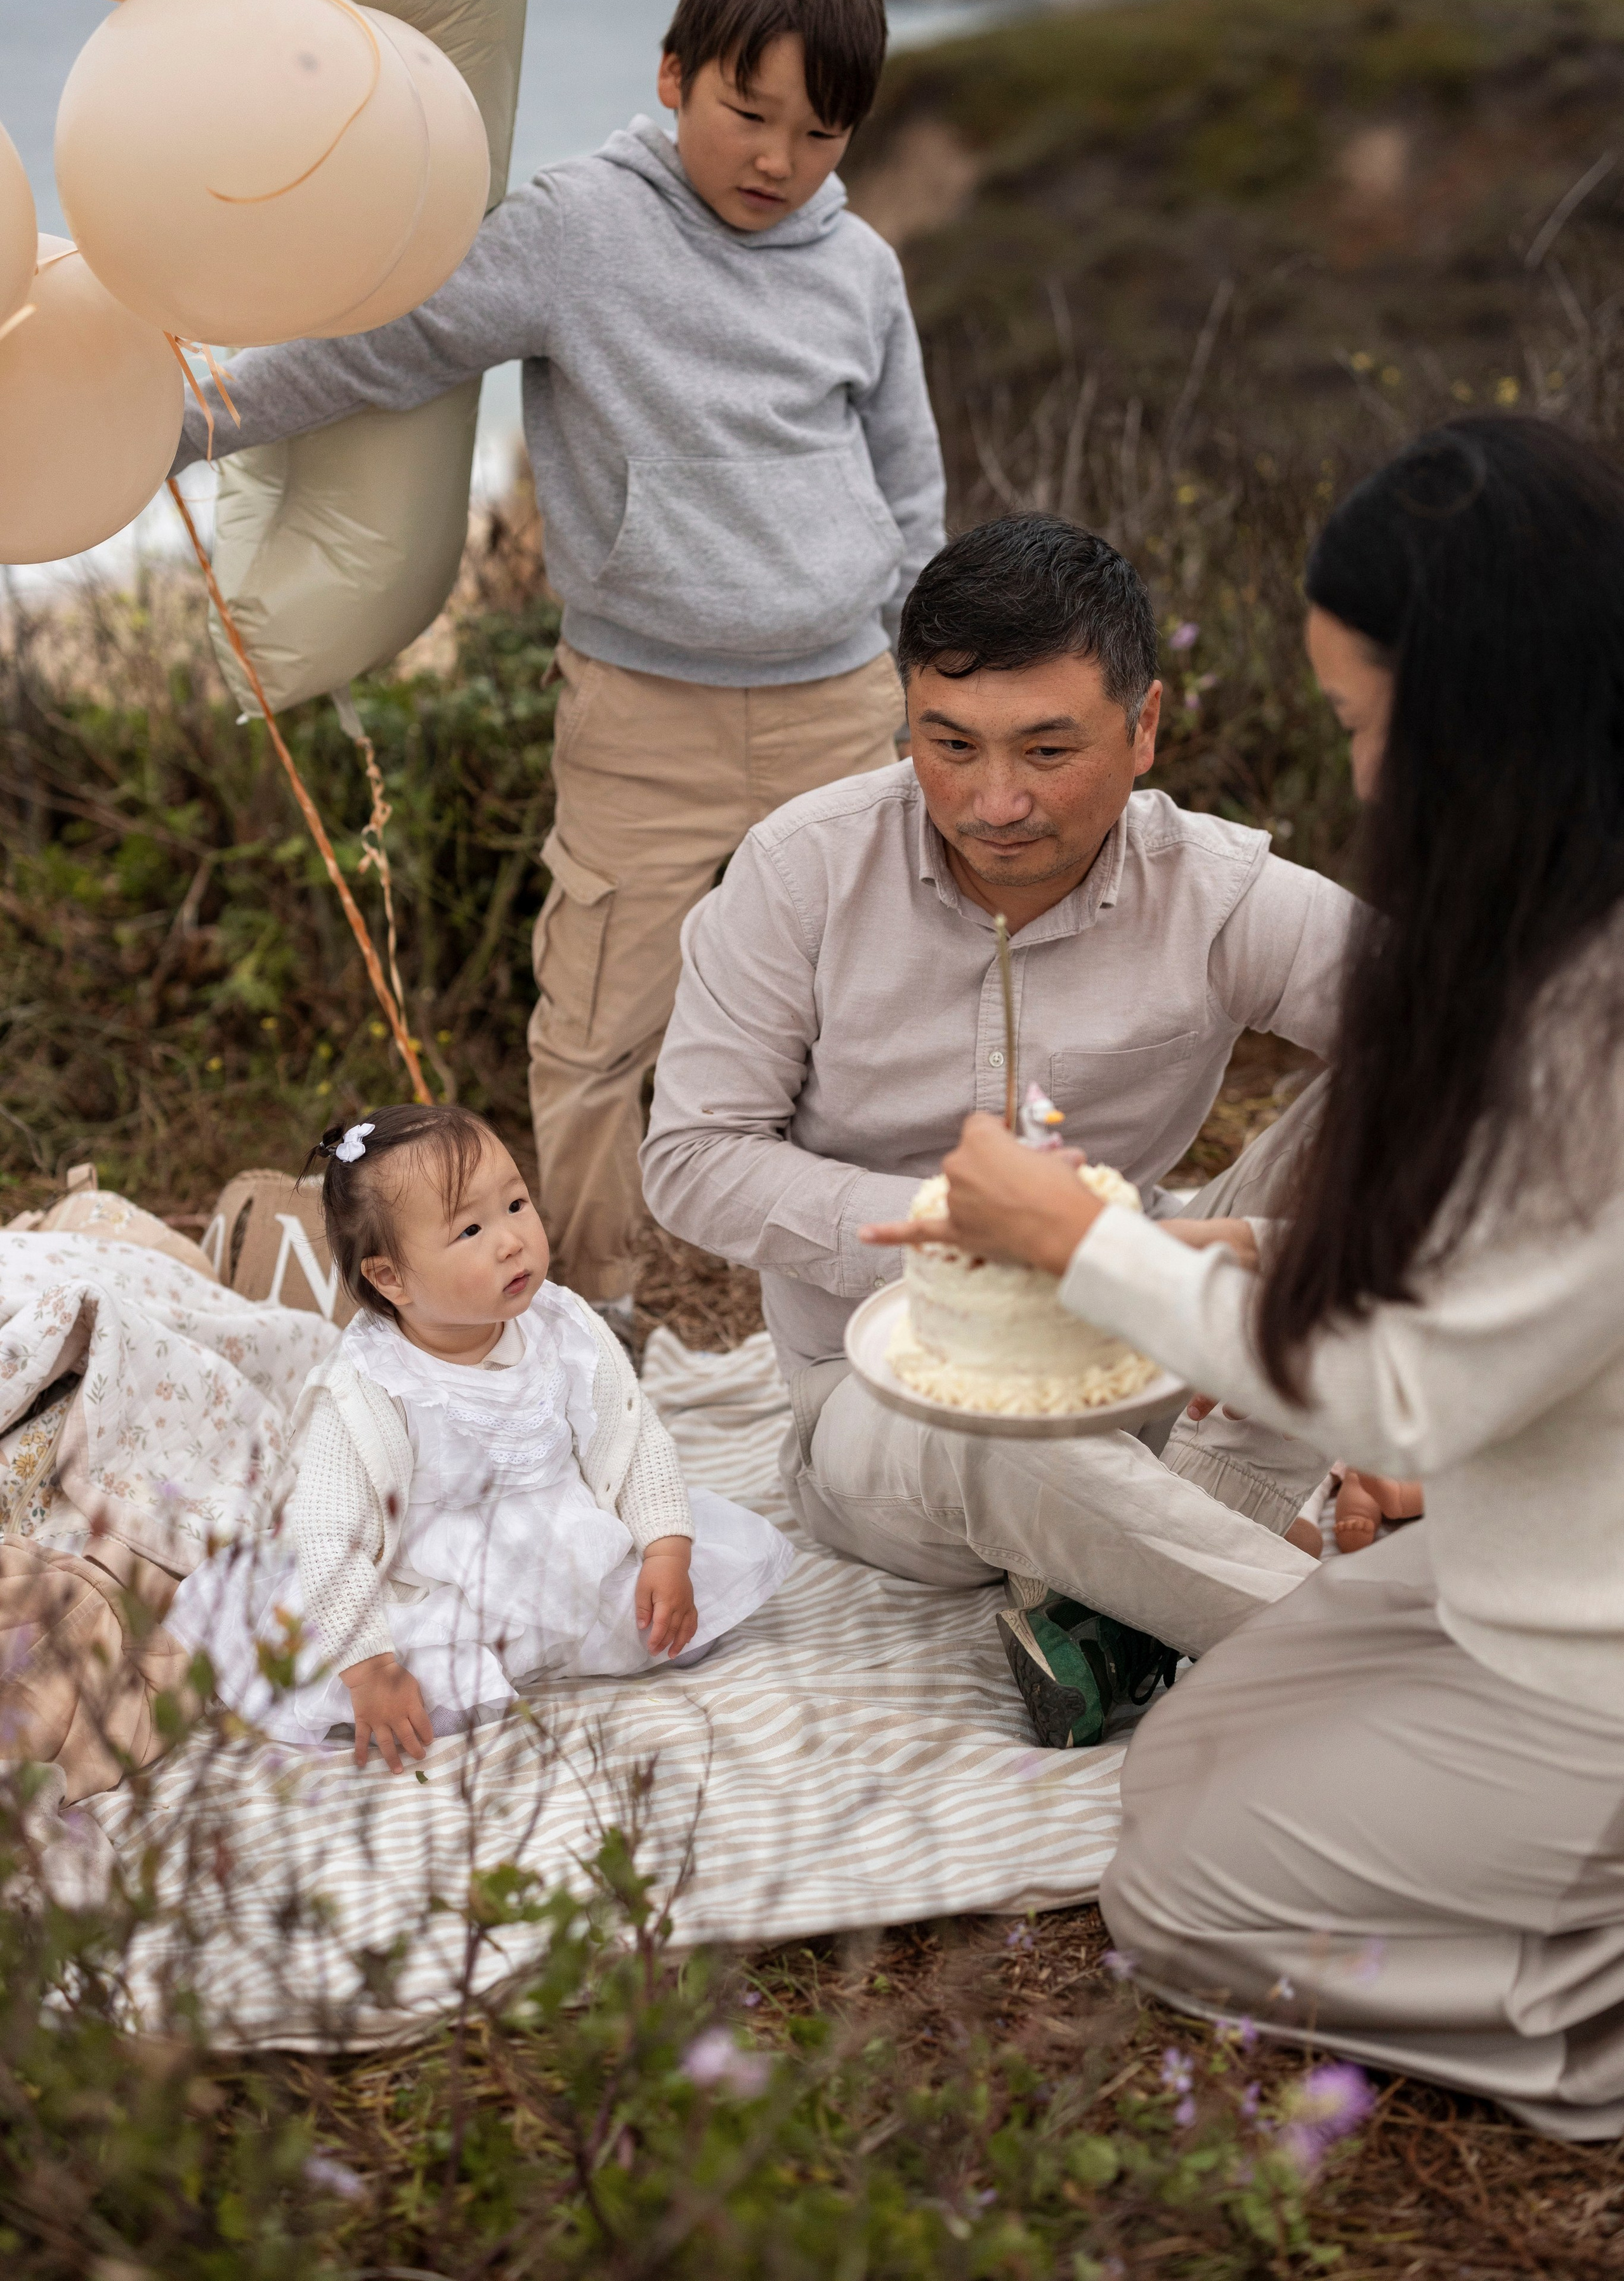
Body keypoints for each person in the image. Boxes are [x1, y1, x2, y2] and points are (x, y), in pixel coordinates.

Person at [865, 417, 1624, 2140]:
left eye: (1364, 723)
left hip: (1589, 1658)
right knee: (1190, 1758)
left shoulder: (1593, 1015)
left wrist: (1088, 1244)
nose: (1358, 772)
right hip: (1504, 1575)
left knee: (1175, 1903)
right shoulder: (1550, 931)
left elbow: (1400, 1395)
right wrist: (1234, 1249)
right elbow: (1534, 1273)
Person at [171, 0, 945, 1316]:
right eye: (748, 112)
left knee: (873, 1020)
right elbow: (384, 349)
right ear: (673, 75)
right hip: (645, 715)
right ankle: (601, 1321)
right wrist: (180, 421)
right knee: (595, 1036)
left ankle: (881, 1304)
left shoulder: (862, 272)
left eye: (820, 134)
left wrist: (929, 694)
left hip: (843, 706)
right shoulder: (578, 229)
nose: (778, 161)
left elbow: (909, 492)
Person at [644, 509, 1361, 1740]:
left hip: (1156, 1348)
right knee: (997, 1438)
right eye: (949, 745)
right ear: (906, 719)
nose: (995, 802)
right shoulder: (800, 872)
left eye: (1047, 749)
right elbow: (690, 1160)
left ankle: (1131, 1595)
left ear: (1144, 727)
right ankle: (1384, 1661)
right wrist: (955, 1232)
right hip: (884, 1405)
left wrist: (1273, 1262)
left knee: (1409, 1096)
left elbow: (1494, 1048)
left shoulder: (1216, 888)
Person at [166, 1105, 794, 1771]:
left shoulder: (563, 1326)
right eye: (470, 1229)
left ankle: (598, 1620)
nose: (511, 1241)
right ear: (390, 1277)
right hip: (439, 1589)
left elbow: (632, 1438)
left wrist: (665, 1550)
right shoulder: (368, 1386)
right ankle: (417, 1673)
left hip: (573, 1558)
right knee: (412, 1677)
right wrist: (370, 1669)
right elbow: (331, 1536)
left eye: (516, 1205)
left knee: (674, 1608)